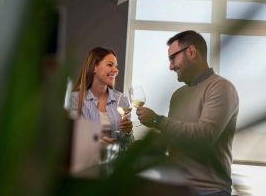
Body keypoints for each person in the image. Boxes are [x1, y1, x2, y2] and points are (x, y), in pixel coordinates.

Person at [135, 30, 239, 195]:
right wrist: (140, 148)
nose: (170, 66)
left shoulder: (221, 88)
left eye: (172, 58)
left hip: (209, 191)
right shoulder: (178, 95)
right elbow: (170, 138)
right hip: (175, 186)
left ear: (191, 52)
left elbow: (204, 136)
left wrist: (156, 120)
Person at [71, 47, 134, 153]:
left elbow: (127, 146)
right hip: (87, 165)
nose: (116, 70)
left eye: (116, 66)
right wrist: (95, 144)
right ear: (94, 67)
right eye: (110, 65)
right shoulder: (75, 99)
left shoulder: (121, 100)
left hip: (115, 165)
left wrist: (128, 132)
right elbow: (70, 140)